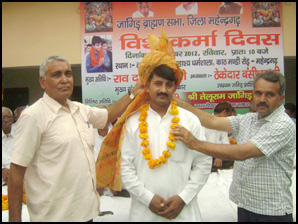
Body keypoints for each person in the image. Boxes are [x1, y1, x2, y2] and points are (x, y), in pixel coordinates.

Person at [8, 56, 143, 222]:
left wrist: (132, 94)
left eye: (68, 74)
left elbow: (108, 114)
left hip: (86, 214)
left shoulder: (80, 110)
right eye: (56, 75)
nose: (64, 79)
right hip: (54, 217)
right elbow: (16, 173)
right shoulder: (33, 116)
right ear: (42, 82)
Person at [96, 29, 211, 222]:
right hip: (143, 213)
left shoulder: (190, 120)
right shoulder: (132, 122)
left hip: (185, 212)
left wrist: (183, 198)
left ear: (175, 87)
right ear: (147, 86)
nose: (163, 90)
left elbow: (203, 163)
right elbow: (125, 167)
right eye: (158, 83)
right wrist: (147, 198)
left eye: (168, 84)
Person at [172, 71, 296, 222]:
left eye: (269, 94)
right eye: (258, 93)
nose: (262, 99)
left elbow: (242, 153)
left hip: (270, 211)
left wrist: (196, 144)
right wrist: (174, 100)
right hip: (246, 205)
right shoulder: (249, 119)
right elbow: (212, 121)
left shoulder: (283, 124)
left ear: (280, 98)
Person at [205, 102, 234, 172]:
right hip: (205, 153)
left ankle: (215, 166)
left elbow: (226, 143)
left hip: (218, 153)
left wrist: (220, 156)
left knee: (232, 158)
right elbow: (207, 143)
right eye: (228, 116)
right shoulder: (206, 121)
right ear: (224, 112)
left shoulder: (223, 124)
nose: (228, 119)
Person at [2, 107, 14, 185]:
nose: (6, 120)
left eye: (8, 117)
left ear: (13, 119)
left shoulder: (20, 134)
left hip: (19, 177)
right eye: (2, 118)